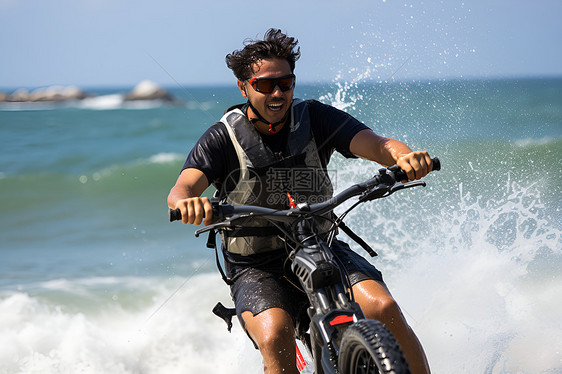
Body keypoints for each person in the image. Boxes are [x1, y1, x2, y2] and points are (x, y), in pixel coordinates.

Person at [168, 28, 432, 374]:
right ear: (244, 87)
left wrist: (405, 157)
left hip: (319, 245)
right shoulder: (222, 137)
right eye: (265, 85)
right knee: (277, 334)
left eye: (286, 83)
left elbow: (378, 144)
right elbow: (181, 190)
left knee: (384, 308)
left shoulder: (317, 118)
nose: (277, 93)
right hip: (256, 267)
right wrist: (189, 203)